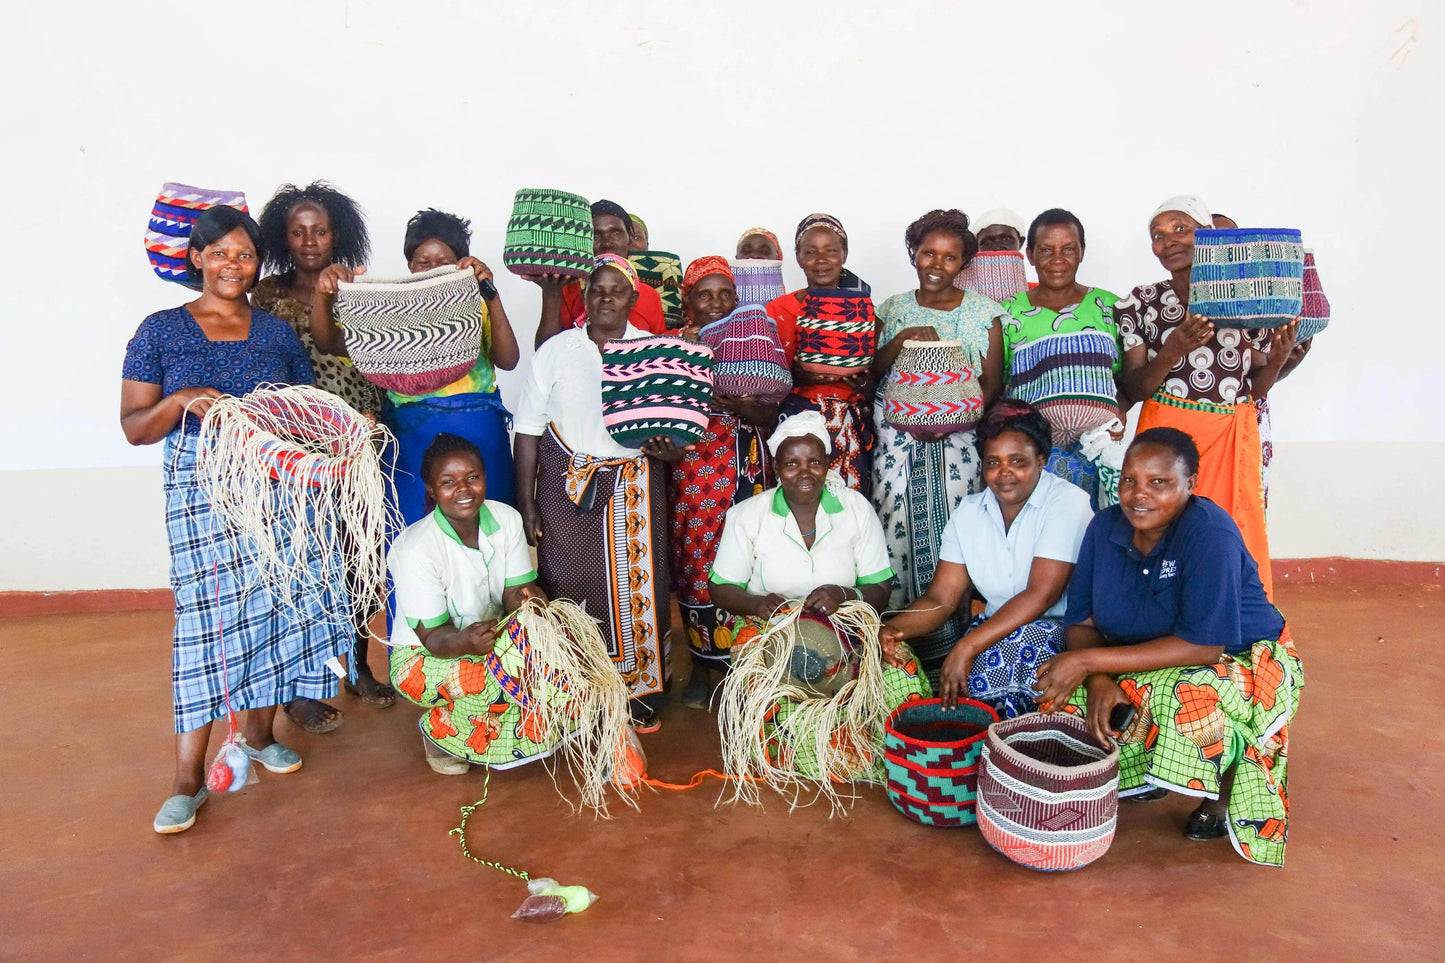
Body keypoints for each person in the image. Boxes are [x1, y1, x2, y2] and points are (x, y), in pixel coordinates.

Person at [122, 205, 351, 834]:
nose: (233, 264)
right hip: (199, 488)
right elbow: (135, 428)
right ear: (196, 258)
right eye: (220, 252)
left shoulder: (276, 333)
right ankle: (187, 780)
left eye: (244, 254)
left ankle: (257, 736)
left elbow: (308, 411)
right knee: (204, 621)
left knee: (277, 603)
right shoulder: (161, 331)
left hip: (277, 487)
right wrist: (178, 400)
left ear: (257, 263)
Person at [1033, 428, 1302, 868]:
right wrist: (1097, 679)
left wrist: (1086, 661)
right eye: (1129, 480)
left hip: (1242, 661)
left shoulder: (1209, 532)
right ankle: (1148, 773)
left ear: (1191, 484)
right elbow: (1081, 621)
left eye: (1160, 482)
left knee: (1184, 696)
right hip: (1141, 655)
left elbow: (1203, 646)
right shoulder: (1104, 528)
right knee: (1057, 692)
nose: (1139, 495)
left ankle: (1223, 793)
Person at [513, 254, 685, 733]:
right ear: (584, 297)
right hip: (565, 488)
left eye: (616, 289)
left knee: (640, 593)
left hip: (635, 485)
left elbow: (677, 444)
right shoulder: (557, 349)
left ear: (633, 298)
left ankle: (640, 695)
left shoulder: (655, 351)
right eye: (596, 289)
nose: (605, 296)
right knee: (570, 592)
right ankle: (580, 695)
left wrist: (667, 450)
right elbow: (527, 429)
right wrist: (526, 501)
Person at [709, 412, 930, 778]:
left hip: (847, 621)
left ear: (828, 465)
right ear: (777, 468)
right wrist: (757, 604)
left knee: (898, 670)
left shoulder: (855, 509)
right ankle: (796, 755)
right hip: (771, 626)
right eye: (791, 463)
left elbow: (880, 587)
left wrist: (845, 593)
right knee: (768, 679)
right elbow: (721, 588)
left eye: (814, 461)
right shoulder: (748, 516)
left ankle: (896, 755)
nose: (804, 472)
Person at [254, 181, 394, 731]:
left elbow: (376, 355)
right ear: (282, 238)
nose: (310, 241)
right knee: (302, 562)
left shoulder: (360, 287)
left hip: (359, 436)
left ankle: (359, 666)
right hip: (293, 448)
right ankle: (301, 685)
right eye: (297, 231)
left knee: (360, 558)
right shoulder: (264, 295)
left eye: (320, 230)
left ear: (339, 233)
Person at [1117, 196, 1298, 598]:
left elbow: (1257, 388)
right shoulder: (1141, 302)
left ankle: (1229, 629)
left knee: (1227, 534)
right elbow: (1133, 388)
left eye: (1181, 228)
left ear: (1208, 235)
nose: (1169, 241)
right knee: (1162, 533)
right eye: (1158, 235)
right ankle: (1158, 627)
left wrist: (1281, 356)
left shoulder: (1243, 301)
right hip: (1164, 437)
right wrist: (1171, 351)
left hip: (1227, 437)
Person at [312, 208, 522, 520]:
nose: (433, 270)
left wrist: (490, 294)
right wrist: (323, 295)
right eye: (423, 262)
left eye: (445, 262)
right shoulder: (388, 311)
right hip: (413, 434)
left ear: (464, 263)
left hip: (479, 430)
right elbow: (329, 343)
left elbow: (509, 360)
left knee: (492, 521)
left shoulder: (476, 307)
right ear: (410, 265)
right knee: (413, 524)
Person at [881, 401, 1093, 707]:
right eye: (993, 462)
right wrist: (891, 630)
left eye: (1018, 461)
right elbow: (941, 599)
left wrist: (966, 647)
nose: (1004, 473)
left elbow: (1041, 595)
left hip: (1059, 633)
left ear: (1042, 459)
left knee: (1021, 651)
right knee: (911, 668)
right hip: (992, 634)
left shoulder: (1067, 503)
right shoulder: (969, 513)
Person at [387, 433, 575, 774]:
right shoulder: (415, 549)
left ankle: (497, 727)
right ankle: (439, 732)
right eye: (448, 482)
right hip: (426, 654)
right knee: (487, 678)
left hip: (487, 635)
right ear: (431, 489)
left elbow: (517, 590)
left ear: (485, 478)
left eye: (473, 478)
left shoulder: (505, 518)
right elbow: (434, 638)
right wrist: (465, 643)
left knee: (559, 643)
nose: (464, 489)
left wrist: (531, 606)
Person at [870, 209, 1005, 669]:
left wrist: (950, 421)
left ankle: (952, 653)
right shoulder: (892, 309)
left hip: (958, 446)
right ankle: (899, 656)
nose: (936, 264)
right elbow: (871, 373)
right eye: (928, 252)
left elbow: (992, 384)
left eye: (949, 258)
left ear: (963, 263)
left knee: (956, 535)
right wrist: (905, 337)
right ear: (914, 253)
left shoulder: (984, 312)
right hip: (896, 444)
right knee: (896, 531)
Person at [671, 257, 777, 708]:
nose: (716, 303)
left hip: (747, 466)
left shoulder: (756, 338)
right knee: (696, 562)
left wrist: (741, 406)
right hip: (692, 472)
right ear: (688, 301)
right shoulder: (673, 345)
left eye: (725, 294)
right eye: (704, 294)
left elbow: (771, 412)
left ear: (738, 298)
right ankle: (703, 665)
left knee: (748, 557)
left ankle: (746, 664)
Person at [1001, 208, 1124, 506]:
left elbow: (1125, 379)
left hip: (1098, 450)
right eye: (1046, 250)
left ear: (1082, 251)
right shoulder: (1007, 312)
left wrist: (1112, 416)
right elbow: (998, 386)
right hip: (1034, 455)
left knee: (1095, 533)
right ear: (1029, 254)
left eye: (1068, 248)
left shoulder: (1110, 307)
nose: (1058, 259)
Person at [766, 213, 876, 494]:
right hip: (795, 426)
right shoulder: (778, 310)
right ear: (798, 257)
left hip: (848, 425)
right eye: (811, 252)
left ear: (844, 254)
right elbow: (766, 376)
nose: (821, 260)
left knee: (846, 507)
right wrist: (797, 375)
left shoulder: (861, 307)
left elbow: (873, 370)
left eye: (831, 251)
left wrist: (863, 382)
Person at [533, 199, 666, 346]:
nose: (607, 242)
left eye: (616, 233)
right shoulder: (566, 289)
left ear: (630, 237)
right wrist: (551, 293)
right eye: (595, 235)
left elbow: (657, 352)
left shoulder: (651, 296)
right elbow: (546, 355)